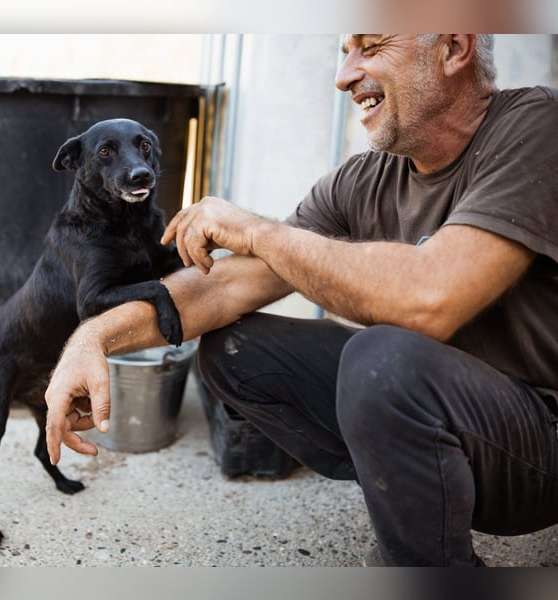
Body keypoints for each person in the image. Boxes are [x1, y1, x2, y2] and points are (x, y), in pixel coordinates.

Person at [44, 34, 558, 566]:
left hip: (541, 446)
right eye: (345, 54)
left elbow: (432, 297)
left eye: (371, 47)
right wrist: (95, 338)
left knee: (381, 361)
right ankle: (418, 495)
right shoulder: (362, 181)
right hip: (456, 422)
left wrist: (258, 231)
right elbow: (223, 287)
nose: (344, 76)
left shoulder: (535, 125)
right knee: (234, 349)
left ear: (454, 48)